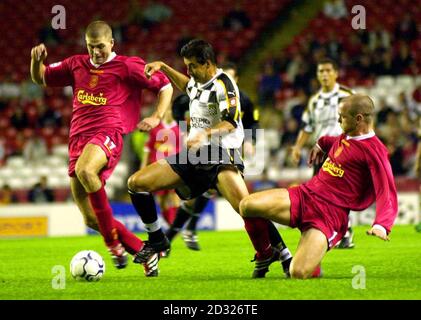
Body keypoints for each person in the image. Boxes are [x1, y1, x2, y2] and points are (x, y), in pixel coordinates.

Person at [127, 39, 291, 278]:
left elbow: (231, 122)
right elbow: (188, 87)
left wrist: (204, 133)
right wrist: (163, 67)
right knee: (136, 183)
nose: (189, 71)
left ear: (207, 64)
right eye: (186, 66)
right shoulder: (198, 81)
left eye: (192, 66)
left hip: (221, 154)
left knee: (248, 207)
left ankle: (281, 253)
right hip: (195, 155)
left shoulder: (225, 84)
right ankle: (157, 240)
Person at [30, 20, 173, 276]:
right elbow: (40, 77)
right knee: (89, 218)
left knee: (87, 171)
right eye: (91, 47)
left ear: (111, 43)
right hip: (78, 139)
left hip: (108, 133)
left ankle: (112, 245)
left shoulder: (127, 65)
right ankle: (144, 251)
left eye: (100, 47)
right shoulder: (76, 63)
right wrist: (35, 59)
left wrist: (157, 116)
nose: (96, 52)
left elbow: (164, 85)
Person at [240, 94, 398, 279]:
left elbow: (386, 190)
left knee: (297, 273)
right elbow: (330, 141)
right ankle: (266, 254)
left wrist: (382, 224)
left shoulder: (374, 150)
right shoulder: (346, 136)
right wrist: (320, 145)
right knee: (247, 206)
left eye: (342, 116)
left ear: (359, 119)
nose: (338, 120)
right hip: (305, 195)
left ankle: (313, 257)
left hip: (329, 214)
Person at [165, 62, 289, 264]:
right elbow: (180, 110)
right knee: (206, 199)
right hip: (202, 154)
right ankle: (176, 236)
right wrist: (185, 129)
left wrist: (251, 141)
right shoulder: (205, 92)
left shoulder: (244, 100)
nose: (225, 83)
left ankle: (280, 251)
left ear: (236, 80)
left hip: (227, 156)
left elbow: (253, 123)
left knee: (245, 205)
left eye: (230, 78)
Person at [291, 58, 356, 249]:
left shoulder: (347, 96)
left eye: (328, 70)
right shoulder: (314, 101)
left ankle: (344, 231)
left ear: (336, 73)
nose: (324, 75)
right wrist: (296, 147)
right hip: (321, 152)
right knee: (319, 194)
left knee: (338, 192)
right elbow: (307, 126)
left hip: (342, 150)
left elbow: (362, 119)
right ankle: (338, 231)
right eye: (321, 71)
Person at [142, 108, 182, 226]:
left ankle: (175, 226)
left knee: (174, 196)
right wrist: (143, 166)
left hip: (174, 167)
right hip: (157, 166)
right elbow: (148, 148)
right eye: (168, 110)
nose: (169, 112)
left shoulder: (180, 128)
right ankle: (171, 224)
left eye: (171, 110)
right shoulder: (155, 128)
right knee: (162, 200)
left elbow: (183, 149)